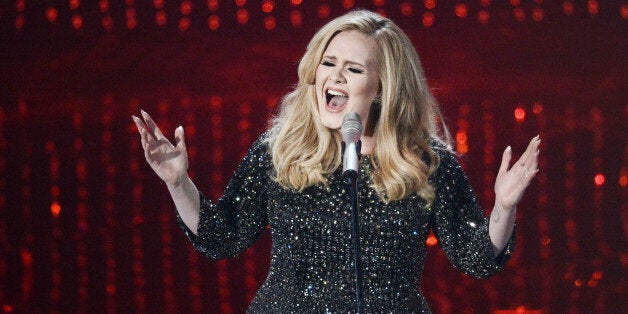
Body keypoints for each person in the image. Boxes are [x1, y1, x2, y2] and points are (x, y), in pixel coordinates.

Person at [132, 10, 540, 313]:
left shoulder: (426, 162)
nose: (335, 77)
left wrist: (503, 208)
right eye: (328, 64)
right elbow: (222, 238)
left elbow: (477, 258)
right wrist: (177, 182)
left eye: (353, 69)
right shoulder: (281, 151)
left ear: (382, 87)